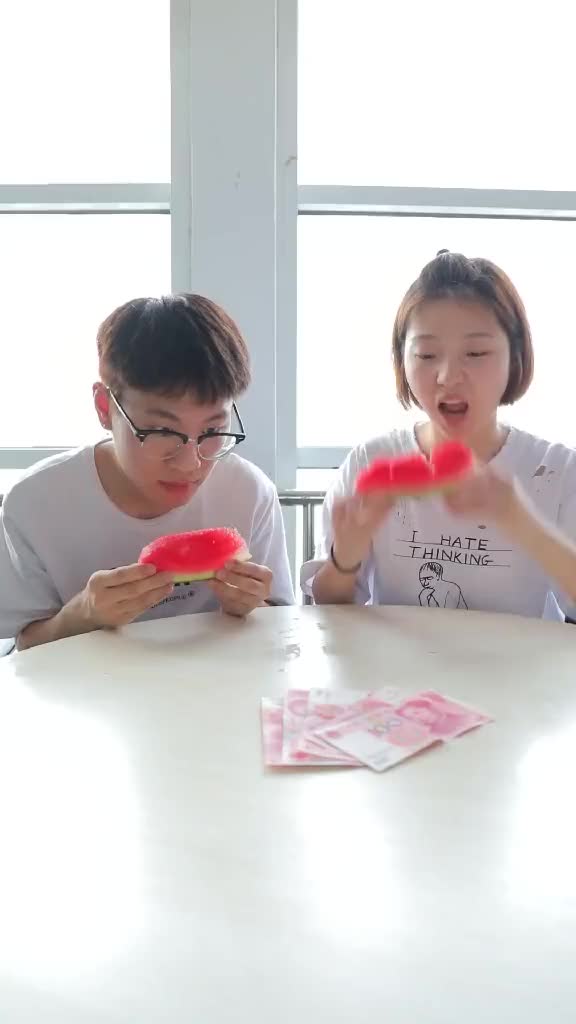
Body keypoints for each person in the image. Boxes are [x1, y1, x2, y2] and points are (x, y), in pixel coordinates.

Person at [0, 294, 294, 650]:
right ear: (105, 407)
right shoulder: (34, 503)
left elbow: (282, 627)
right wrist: (82, 614)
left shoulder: (248, 492)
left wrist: (252, 606)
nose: (191, 464)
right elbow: (24, 649)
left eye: (214, 431)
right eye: (162, 432)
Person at [303, 250, 576, 621]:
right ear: (402, 360)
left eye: (476, 352)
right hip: (400, 678)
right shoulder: (371, 461)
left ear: (516, 356)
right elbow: (328, 607)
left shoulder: (556, 471)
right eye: (427, 354)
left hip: (519, 679)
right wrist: (345, 555)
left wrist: (519, 521)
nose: (447, 376)